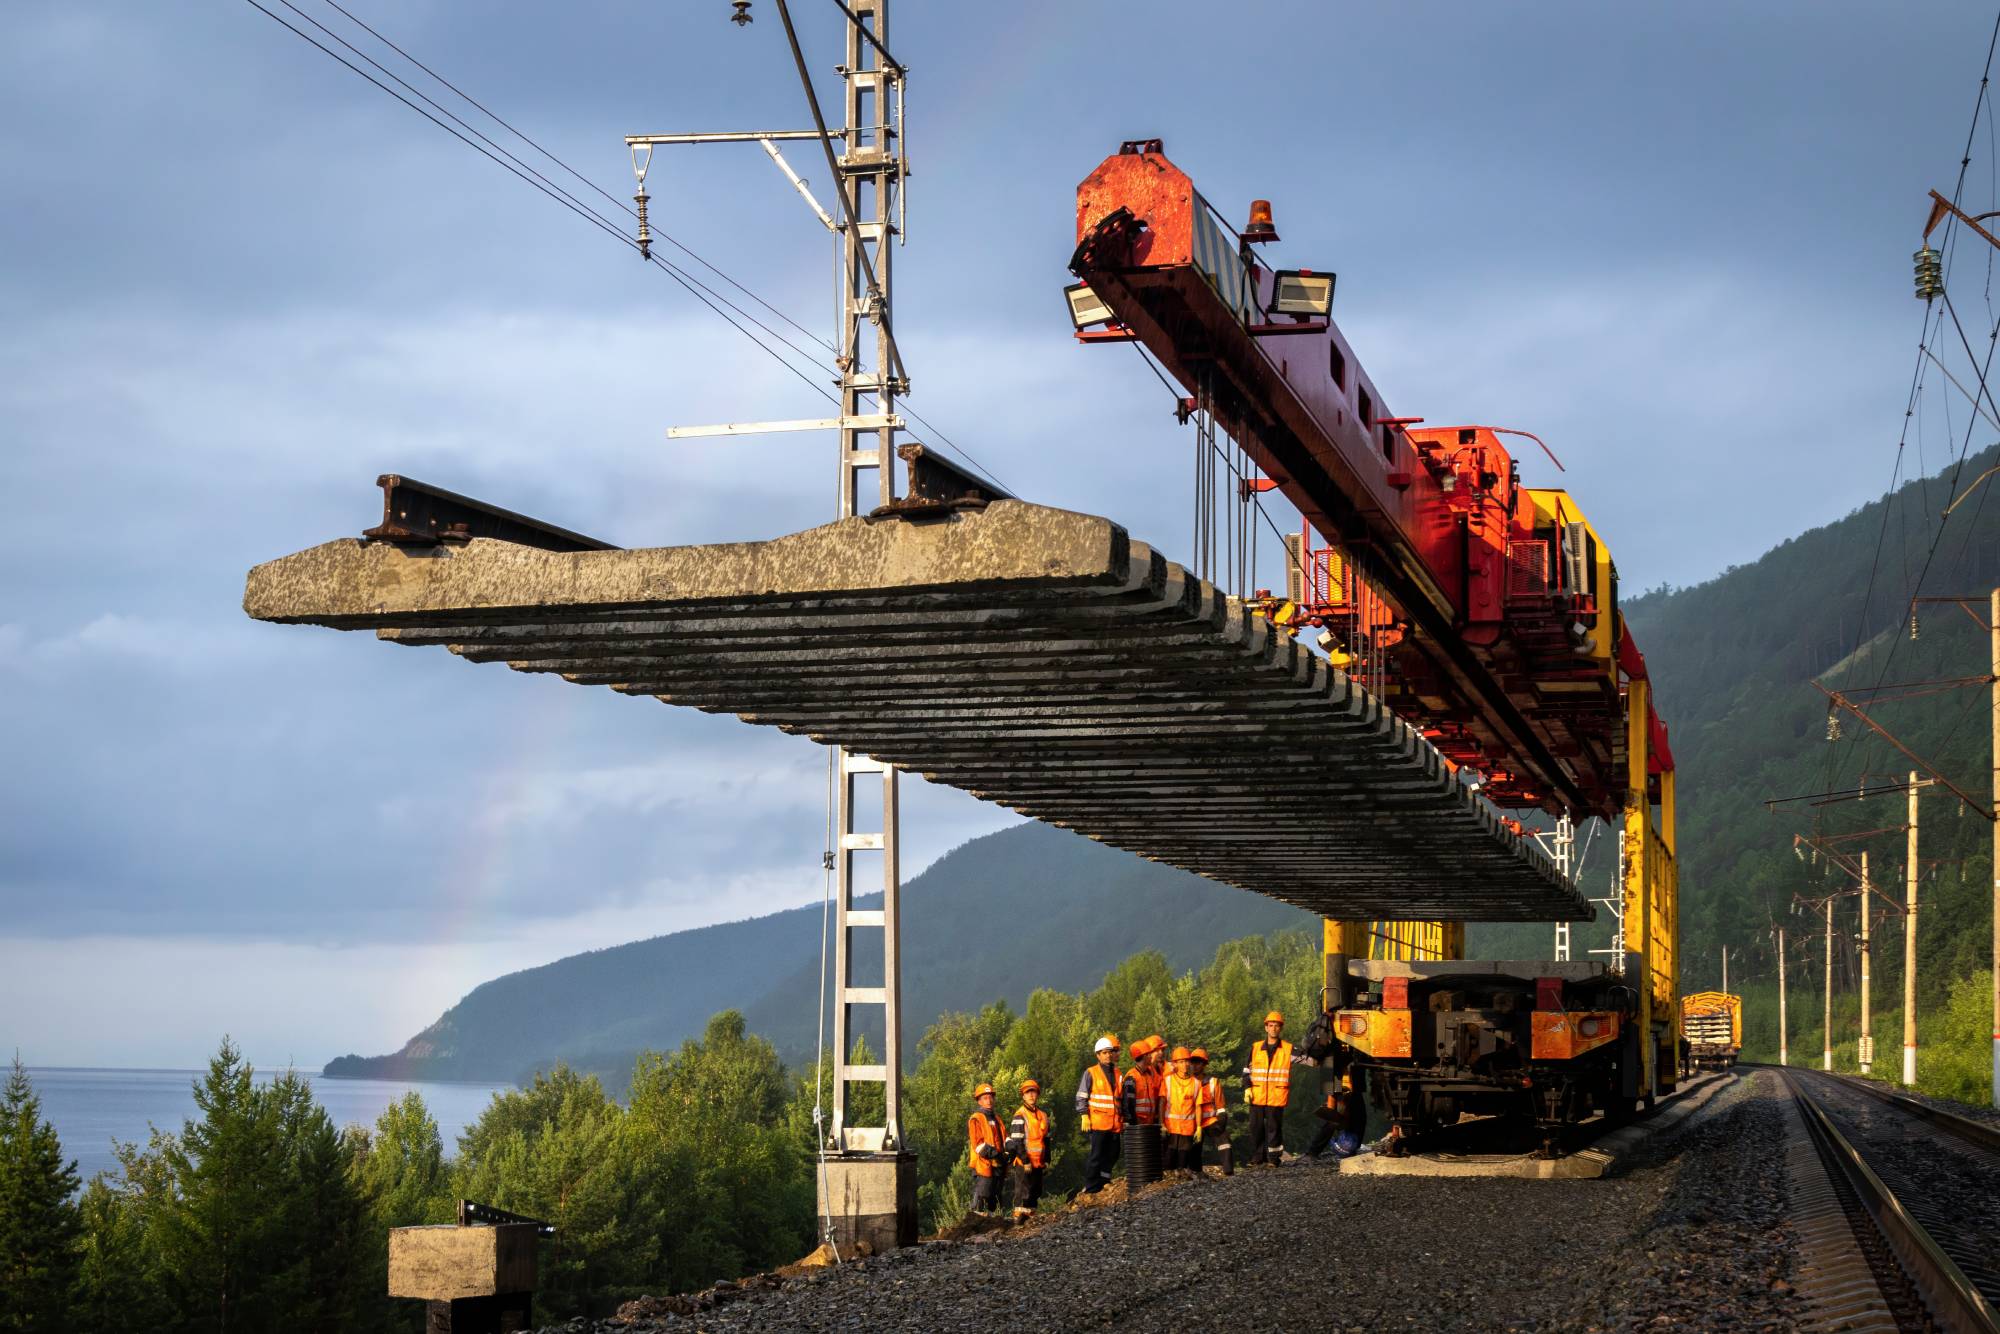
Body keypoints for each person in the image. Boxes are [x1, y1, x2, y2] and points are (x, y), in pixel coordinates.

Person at [1243, 1010, 1306, 1165]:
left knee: (1274, 1129)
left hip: (1276, 1096)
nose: (1273, 1029)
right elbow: (1246, 1070)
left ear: (1280, 1028)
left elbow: (1308, 1059)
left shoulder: (1288, 1049)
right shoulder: (1255, 1048)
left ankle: (1273, 1159)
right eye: (1271, 1025)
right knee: (1256, 1128)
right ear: (1266, 1028)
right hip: (1257, 1095)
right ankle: (1258, 1158)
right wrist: (1246, 1087)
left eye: (1277, 1026)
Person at [1074, 1034, 1123, 1193]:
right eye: (1104, 1052)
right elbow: (1081, 1095)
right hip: (1098, 1123)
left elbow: (1119, 1099)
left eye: (1110, 1052)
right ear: (1098, 1055)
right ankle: (1091, 1187)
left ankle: (1104, 1180)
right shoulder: (1091, 1072)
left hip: (1114, 1124)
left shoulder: (1117, 1073)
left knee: (1113, 1153)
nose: (1108, 1055)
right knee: (1096, 1156)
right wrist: (1083, 1115)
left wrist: (1124, 1118)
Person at [1008, 1079, 1052, 1217]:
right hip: (1025, 1163)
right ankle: (1018, 1225)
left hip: (1038, 1163)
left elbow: (1046, 1139)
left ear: (1037, 1094)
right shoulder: (1020, 1115)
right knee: (1022, 1194)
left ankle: (1030, 1226)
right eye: (1028, 1093)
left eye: (1033, 1092)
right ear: (1023, 1096)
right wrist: (1025, 1160)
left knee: (1035, 1193)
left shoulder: (1043, 1115)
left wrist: (1047, 1159)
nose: (1031, 1095)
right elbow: (1017, 1141)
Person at [967, 1083, 1009, 1214]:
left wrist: (1010, 1147)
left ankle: (991, 1229)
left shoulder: (997, 1118)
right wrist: (997, 1154)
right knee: (981, 1196)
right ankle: (973, 1227)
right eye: (985, 1098)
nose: (989, 1100)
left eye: (990, 1097)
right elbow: (978, 1145)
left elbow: (1004, 1137)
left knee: (994, 1199)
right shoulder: (976, 1119)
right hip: (983, 1164)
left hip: (998, 1165)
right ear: (979, 1101)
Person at [1161, 1046, 1203, 1174]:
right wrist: (1161, 1123)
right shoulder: (1168, 1081)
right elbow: (1162, 1103)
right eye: (1180, 1062)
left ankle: (1181, 1186)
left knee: (1183, 1163)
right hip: (1170, 1128)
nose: (1184, 1064)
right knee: (1168, 1160)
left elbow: (1198, 1106)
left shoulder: (1196, 1083)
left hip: (1187, 1128)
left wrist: (1199, 1126)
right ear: (1175, 1064)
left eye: (1186, 1061)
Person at [1192, 1048, 1229, 1173]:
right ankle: (1196, 1173)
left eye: (1199, 1062)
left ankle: (1229, 1172)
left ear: (1204, 1064)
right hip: (1194, 1123)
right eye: (1193, 1062)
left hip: (1211, 1121)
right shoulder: (1187, 1083)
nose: (1195, 1065)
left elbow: (1220, 1105)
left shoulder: (1213, 1082)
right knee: (1194, 1148)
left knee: (1224, 1141)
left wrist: (1222, 1120)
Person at [1121, 1036, 1163, 1127]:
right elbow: (1128, 1105)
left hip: (1149, 1124)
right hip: (1137, 1126)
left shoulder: (1148, 1075)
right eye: (1149, 1054)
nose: (1151, 1056)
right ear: (1144, 1056)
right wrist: (1132, 1124)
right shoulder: (1132, 1077)